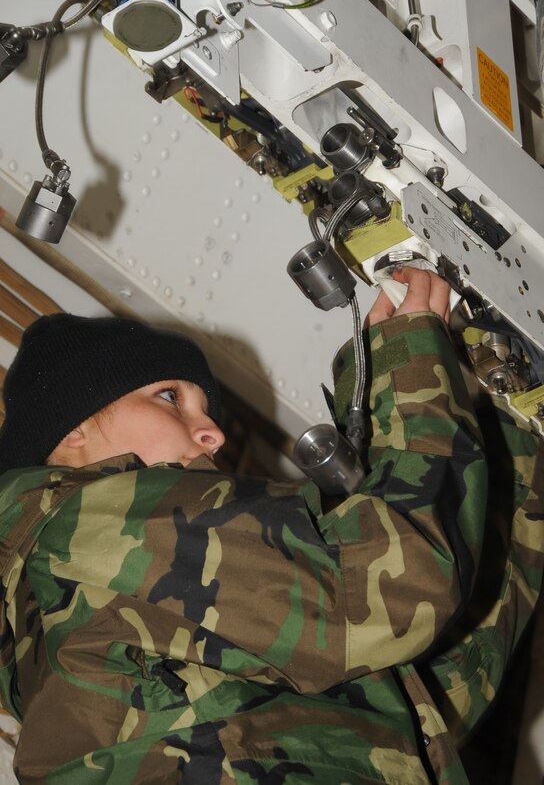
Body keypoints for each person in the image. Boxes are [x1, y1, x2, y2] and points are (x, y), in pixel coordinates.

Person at [0, 267, 540, 784]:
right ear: (73, 433)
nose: (212, 431)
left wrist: (505, 438)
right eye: (170, 397)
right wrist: (405, 361)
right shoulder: (91, 524)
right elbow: (394, 590)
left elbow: (428, 691)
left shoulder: (61, 631)